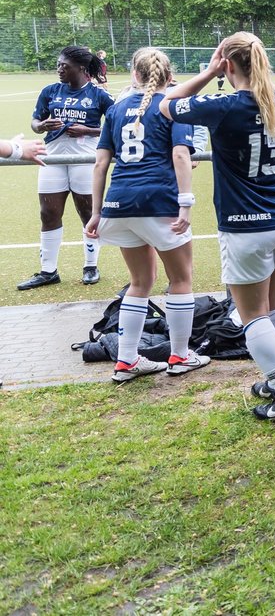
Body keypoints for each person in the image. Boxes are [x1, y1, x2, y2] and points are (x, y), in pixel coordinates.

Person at [161, 33, 275, 421]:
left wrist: (209, 73)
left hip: (245, 225)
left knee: (253, 315)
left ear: (228, 64)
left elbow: (166, 105)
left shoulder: (225, 105)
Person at [83, 48, 209, 383]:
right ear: (170, 77)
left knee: (140, 282)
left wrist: (96, 213)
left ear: (134, 74)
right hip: (160, 202)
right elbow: (181, 154)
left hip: (119, 204)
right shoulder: (172, 106)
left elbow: (100, 164)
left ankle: (127, 361)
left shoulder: (116, 108)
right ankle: (181, 356)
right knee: (180, 279)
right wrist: (186, 203)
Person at [21, 46, 114, 290]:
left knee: (87, 214)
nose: (59, 69)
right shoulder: (50, 91)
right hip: (52, 159)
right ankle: (48, 271)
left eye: (65, 66)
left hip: (85, 159)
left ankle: (91, 266)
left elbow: (116, 126)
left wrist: (89, 130)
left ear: (81, 69)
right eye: (59, 64)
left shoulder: (99, 95)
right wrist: (42, 126)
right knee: (48, 213)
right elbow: (34, 122)